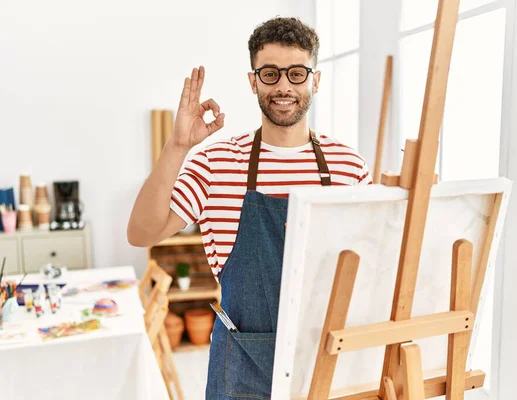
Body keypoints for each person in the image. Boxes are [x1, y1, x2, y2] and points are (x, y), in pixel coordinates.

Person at [127, 16, 372, 399]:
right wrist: (177, 147)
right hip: (243, 369)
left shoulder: (348, 167)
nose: (284, 86)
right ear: (253, 80)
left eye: (297, 73)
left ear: (316, 80)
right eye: (270, 74)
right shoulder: (217, 162)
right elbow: (141, 232)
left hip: (328, 363)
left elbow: (372, 269)